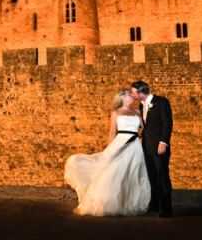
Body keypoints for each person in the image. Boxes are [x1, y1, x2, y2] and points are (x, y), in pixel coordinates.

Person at [64, 88, 151, 216]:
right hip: (120, 142)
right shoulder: (116, 113)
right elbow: (112, 132)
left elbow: (144, 129)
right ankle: (109, 203)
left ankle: (129, 203)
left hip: (135, 146)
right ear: (122, 98)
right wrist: (109, 150)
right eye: (128, 95)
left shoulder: (137, 112)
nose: (132, 96)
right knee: (115, 172)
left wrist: (140, 139)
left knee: (132, 173)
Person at [130, 80, 173, 218]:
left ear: (140, 92)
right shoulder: (141, 106)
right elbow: (145, 127)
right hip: (146, 147)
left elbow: (168, 122)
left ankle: (166, 208)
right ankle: (154, 205)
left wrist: (164, 142)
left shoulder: (161, 102)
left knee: (162, 175)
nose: (132, 94)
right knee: (151, 176)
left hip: (159, 146)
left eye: (133, 92)